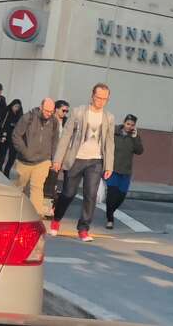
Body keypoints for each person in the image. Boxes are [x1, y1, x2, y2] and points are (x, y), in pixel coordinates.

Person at [50, 84, 116, 242]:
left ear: (108, 99)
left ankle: (83, 228)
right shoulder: (78, 112)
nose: (100, 101)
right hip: (76, 158)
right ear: (92, 96)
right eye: (98, 97)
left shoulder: (109, 118)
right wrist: (58, 159)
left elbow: (109, 142)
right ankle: (56, 218)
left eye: (104, 99)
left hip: (96, 161)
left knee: (90, 195)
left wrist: (109, 166)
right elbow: (66, 136)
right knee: (68, 193)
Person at [12, 98, 59, 217]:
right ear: (41, 107)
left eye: (51, 111)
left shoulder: (54, 121)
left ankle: (36, 216)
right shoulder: (28, 117)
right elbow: (16, 136)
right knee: (19, 187)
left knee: (37, 187)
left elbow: (55, 141)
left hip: (43, 160)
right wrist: (25, 152)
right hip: (24, 160)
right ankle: (13, 212)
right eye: (46, 110)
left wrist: (54, 159)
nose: (48, 114)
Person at [105, 114, 143, 229]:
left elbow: (139, 151)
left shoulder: (134, 136)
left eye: (132, 125)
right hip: (113, 169)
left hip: (126, 172)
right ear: (124, 122)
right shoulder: (114, 132)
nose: (129, 127)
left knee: (121, 197)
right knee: (112, 195)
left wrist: (135, 138)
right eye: (128, 124)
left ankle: (111, 212)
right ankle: (110, 219)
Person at [0, 99, 23, 177]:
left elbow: (22, 126)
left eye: (18, 107)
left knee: (12, 156)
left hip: (14, 138)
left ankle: (7, 171)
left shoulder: (20, 115)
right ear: (12, 105)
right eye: (15, 106)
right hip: (4, 136)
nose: (16, 108)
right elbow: (0, 121)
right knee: (2, 154)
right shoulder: (6, 111)